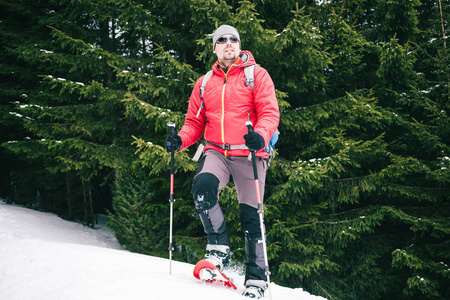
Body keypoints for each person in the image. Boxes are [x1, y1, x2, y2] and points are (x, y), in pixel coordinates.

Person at [165, 24, 279, 298]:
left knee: (251, 217)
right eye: (222, 40)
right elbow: (194, 122)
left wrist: (261, 136)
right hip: (217, 150)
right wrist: (180, 140)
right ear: (215, 47)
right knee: (202, 187)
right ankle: (219, 249)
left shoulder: (257, 75)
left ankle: (256, 279)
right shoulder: (205, 82)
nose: (229, 43)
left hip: (250, 153)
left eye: (233, 39)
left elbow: (269, 112)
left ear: (239, 45)